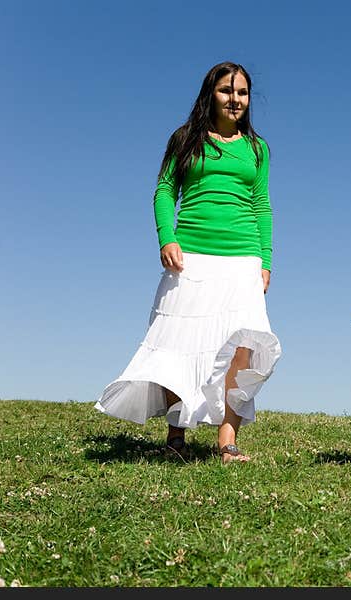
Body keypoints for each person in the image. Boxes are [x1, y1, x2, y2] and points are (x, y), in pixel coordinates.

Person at [95, 61, 281, 464]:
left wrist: (265, 260)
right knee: (181, 344)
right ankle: (175, 435)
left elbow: (262, 205)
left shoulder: (257, 148)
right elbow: (164, 191)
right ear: (210, 94)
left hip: (242, 258)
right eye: (226, 91)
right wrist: (167, 238)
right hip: (191, 257)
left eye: (242, 93)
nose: (235, 99)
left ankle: (227, 440)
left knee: (241, 350)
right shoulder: (185, 139)